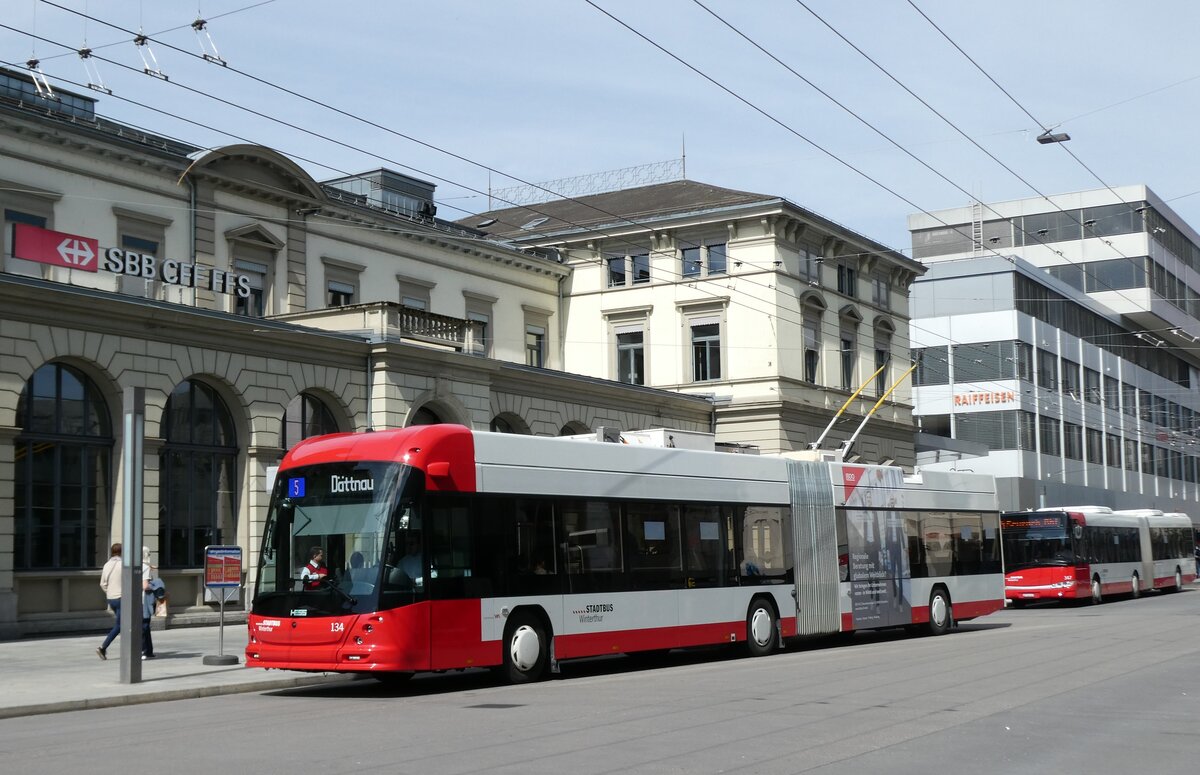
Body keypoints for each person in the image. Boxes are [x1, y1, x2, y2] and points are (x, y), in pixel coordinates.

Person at [97, 543, 123, 660]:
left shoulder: (107, 564)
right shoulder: (123, 564)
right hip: (122, 598)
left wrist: (109, 592)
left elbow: (102, 583)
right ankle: (103, 647)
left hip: (111, 598)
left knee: (122, 624)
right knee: (121, 625)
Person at [140, 547, 157, 660]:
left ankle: (147, 650)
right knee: (145, 625)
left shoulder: (136, 565)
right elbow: (145, 585)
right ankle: (145, 650)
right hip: (144, 599)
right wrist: (156, 585)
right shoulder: (145, 567)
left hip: (135, 599)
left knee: (142, 625)